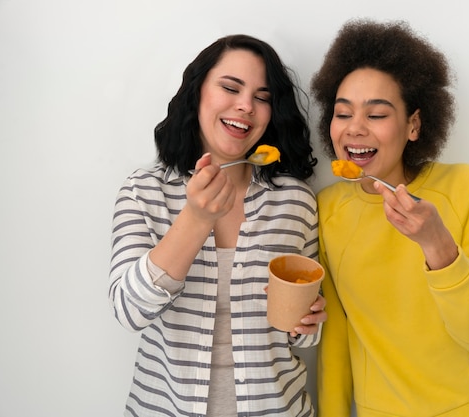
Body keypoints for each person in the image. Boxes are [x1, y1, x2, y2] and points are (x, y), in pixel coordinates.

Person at [310, 19, 469, 417]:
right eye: (343, 113)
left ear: (414, 125)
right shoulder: (328, 209)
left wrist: (437, 245)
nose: (354, 129)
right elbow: (336, 334)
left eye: (376, 115)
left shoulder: (463, 186)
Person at [109, 34, 326, 417]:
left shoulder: (295, 201)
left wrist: (308, 321)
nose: (246, 106)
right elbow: (129, 310)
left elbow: (303, 338)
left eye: (263, 97)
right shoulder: (144, 190)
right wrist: (195, 218)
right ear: (197, 93)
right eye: (230, 87)